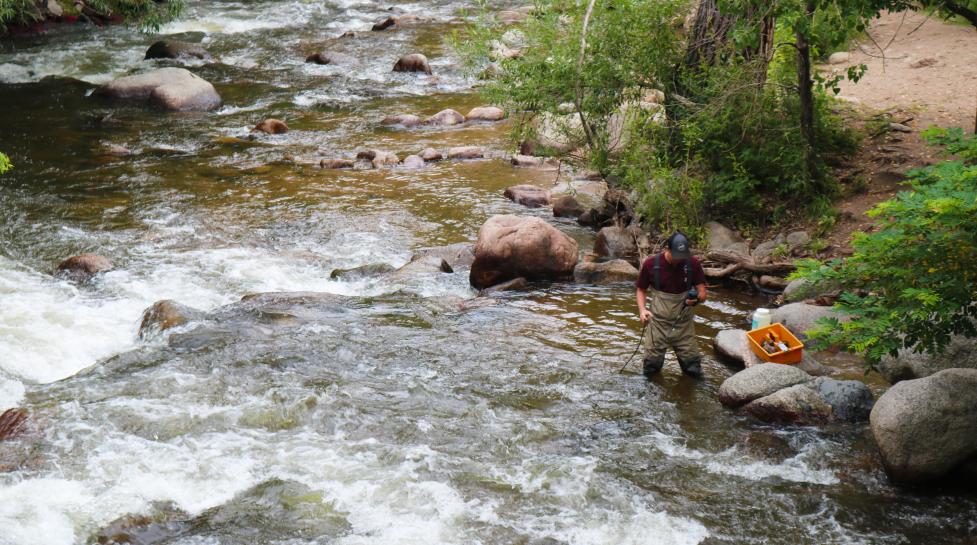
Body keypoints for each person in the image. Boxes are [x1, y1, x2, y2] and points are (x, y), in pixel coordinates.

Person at [635, 232, 707, 378]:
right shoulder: (651, 264)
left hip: (683, 325)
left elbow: (703, 293)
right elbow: (641, 290)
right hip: (657, 324)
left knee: (693, 370)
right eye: (676, 256)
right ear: (667, 249)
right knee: (651, 370)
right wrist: (642, 310)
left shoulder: (692, 263)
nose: (680, 260)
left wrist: (697, 299)